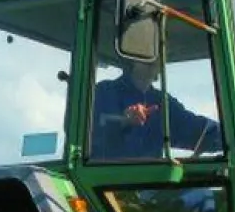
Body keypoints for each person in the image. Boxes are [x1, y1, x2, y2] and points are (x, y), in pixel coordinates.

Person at [88, 58, 223, 160]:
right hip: (106, 184)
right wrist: (122, 122)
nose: (154, 57)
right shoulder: (103, 92)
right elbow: (81, 135)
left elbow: (195, 130)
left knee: (200, 196)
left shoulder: (162, 102)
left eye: (159, 51)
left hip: (149, 188)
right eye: (146, 51)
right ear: (131, 58)